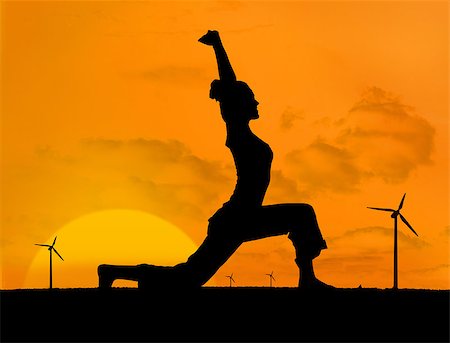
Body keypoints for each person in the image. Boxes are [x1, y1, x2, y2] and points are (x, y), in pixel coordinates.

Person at [98, 30, 332, 289]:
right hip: (237, 218)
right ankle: (112, 271)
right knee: (186, 278)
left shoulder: (248, 136)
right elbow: (230, 85)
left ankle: (307, 279)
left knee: (301, 215)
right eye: (251, 98)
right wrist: (218, 46)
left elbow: (233, 91)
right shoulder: (238, 133)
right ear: (239, 105)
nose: (257, 102)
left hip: (246, 216)